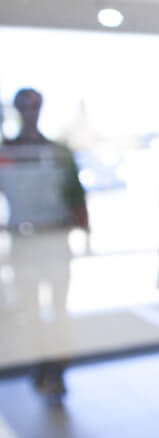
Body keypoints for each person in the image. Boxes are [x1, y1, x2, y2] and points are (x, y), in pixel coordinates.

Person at [1, 88, 88, 402]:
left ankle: (57, 370)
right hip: (24, 242)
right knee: (31, 309)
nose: (30, 112)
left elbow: (77, 198)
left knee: (58, 308)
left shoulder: (58, 153)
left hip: (54, 241)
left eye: (35, 106)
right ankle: (40, 367)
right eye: (24, 107)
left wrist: (84, 231)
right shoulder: (7, 152)